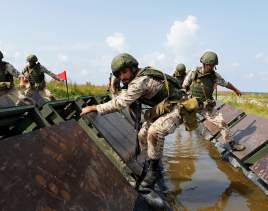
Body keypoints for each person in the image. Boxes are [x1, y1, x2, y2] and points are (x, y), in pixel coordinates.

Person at [80, 53, 189, 193]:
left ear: (132, 68)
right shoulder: (137, 76)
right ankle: (151, 162)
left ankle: (153, 174)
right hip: (165, 107)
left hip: (179, 107)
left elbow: (120, 103)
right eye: (119, 75)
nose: (122, 77)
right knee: (143, 134)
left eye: (124, 72)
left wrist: (95, 107)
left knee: (155, 132)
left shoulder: (140, 81)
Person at [182, 51, 245, 151]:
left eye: (213, 65)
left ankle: (232, 144)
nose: (211, 67)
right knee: (176, 121)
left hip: (205, 106)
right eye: (209, 65)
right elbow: (184, 86)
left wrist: (235, 89)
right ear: (204, 64)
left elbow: (225, 83)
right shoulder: (194, 72)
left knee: (222, 122)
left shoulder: (214, 76)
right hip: (191, 103)